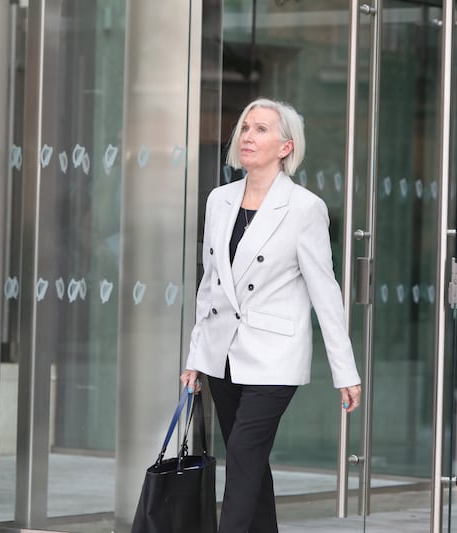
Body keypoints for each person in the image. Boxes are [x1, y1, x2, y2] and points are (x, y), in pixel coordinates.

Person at [180, 98, 362, 533]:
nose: (247, 136)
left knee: (243, 455)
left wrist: (346, 371)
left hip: (274, 357)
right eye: (245, 127)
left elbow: (325, 291)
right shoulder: (219, 200)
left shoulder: (304, 208)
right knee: (251, 464)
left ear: (285, 146)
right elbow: (210, 285)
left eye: (261, 129)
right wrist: (195, 357)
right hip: (223, 354)